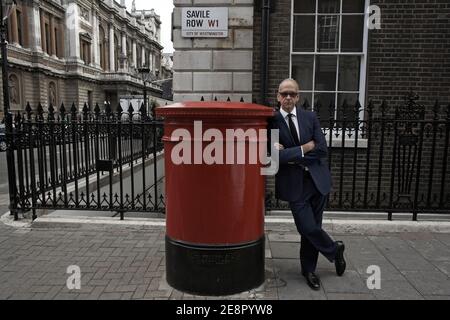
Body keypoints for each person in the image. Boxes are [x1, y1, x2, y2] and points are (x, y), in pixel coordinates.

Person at [269, 79, 346, 291]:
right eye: (284, 93)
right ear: (278, 96)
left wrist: (293, 155)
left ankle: (309, 270)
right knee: (307, 226)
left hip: (317, 181)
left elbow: (321, 149)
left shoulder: (309, 117)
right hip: (295, 185)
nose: (288, 97)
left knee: (313, 229)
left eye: (292, 94)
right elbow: (276, 156)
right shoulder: (272, 121)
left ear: (298, 97)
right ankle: (334, 249)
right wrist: (305, 147)